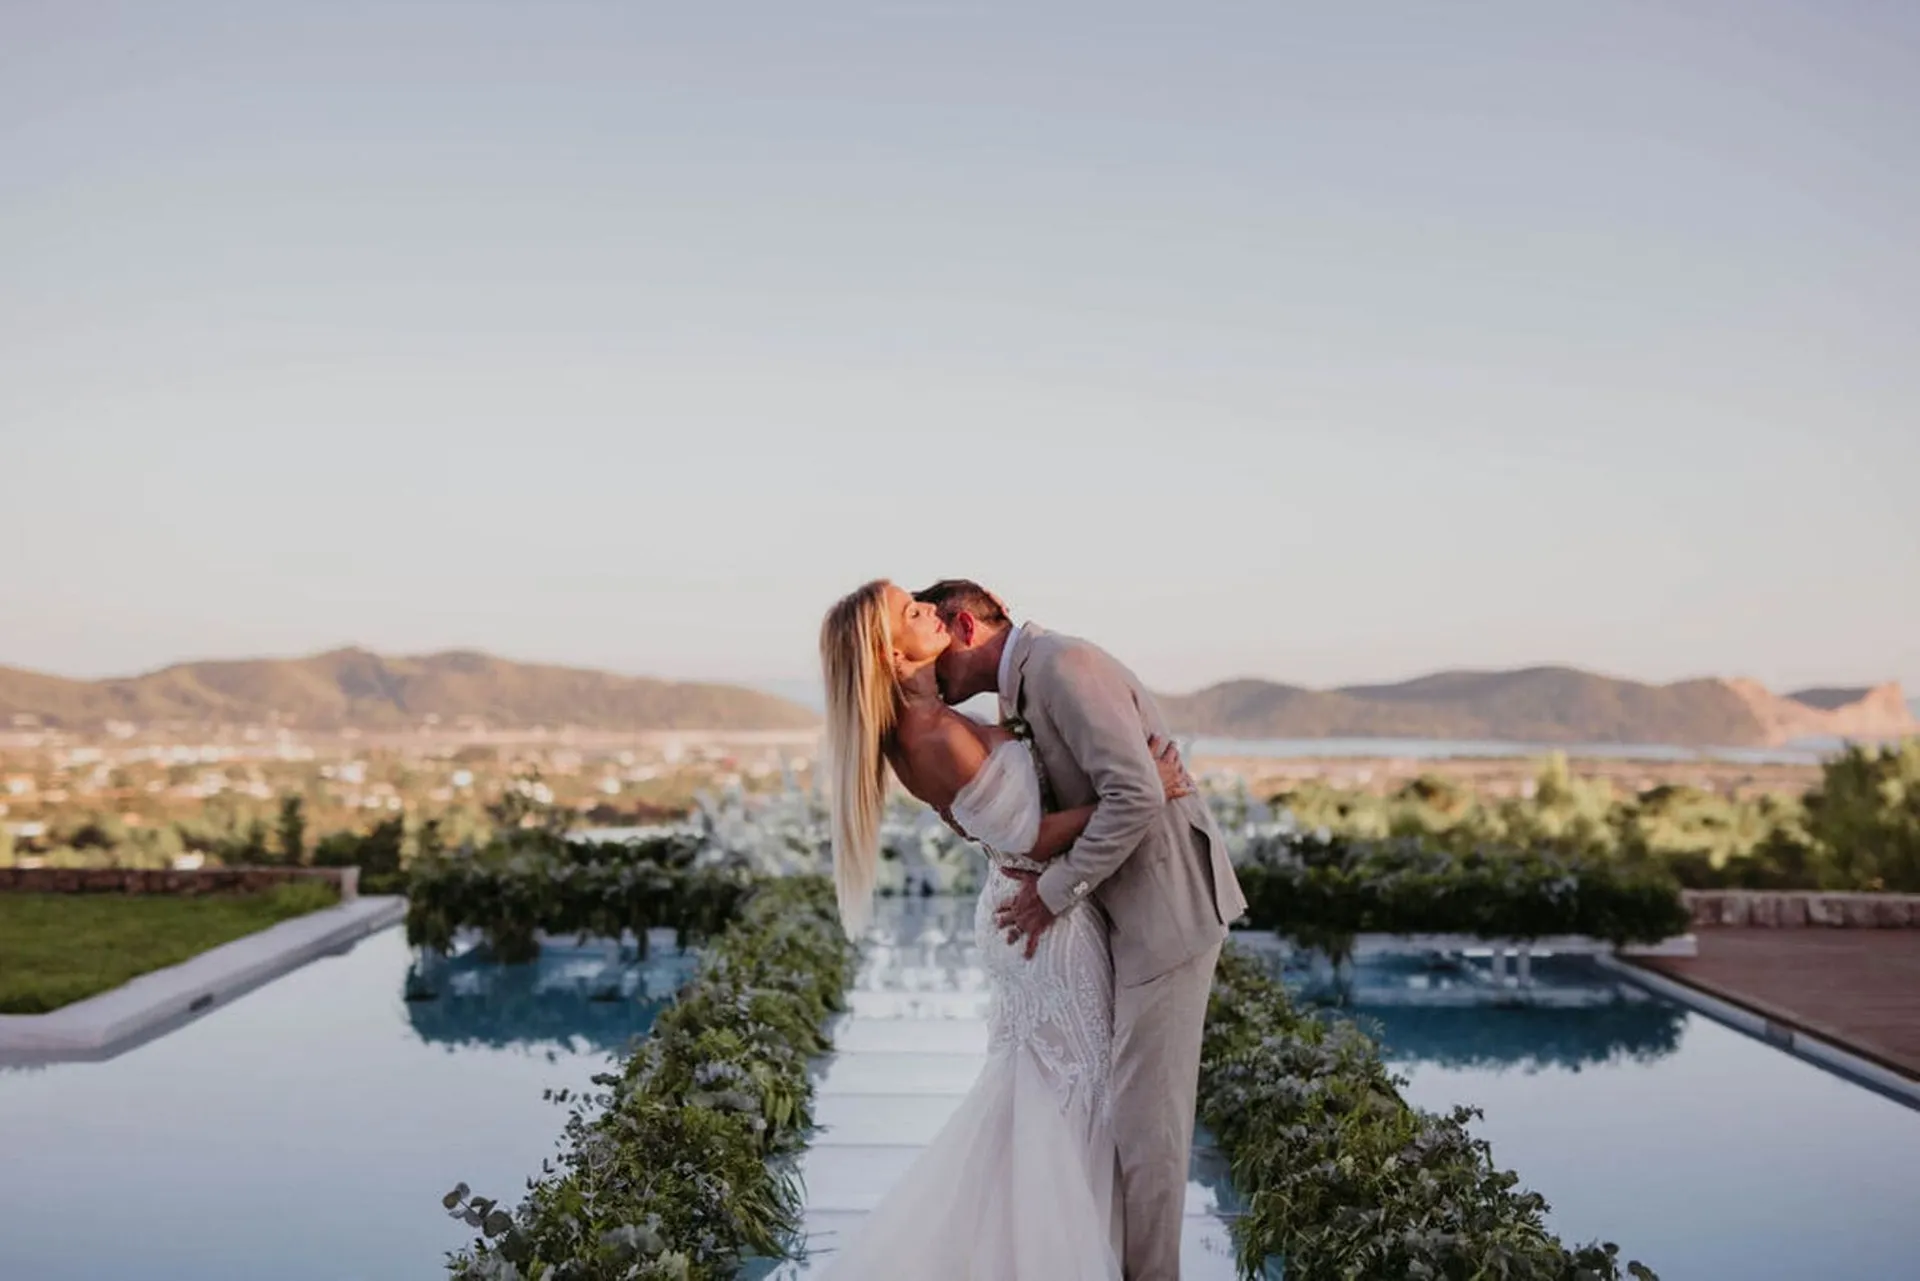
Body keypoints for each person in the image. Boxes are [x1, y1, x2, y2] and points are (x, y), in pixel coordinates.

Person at [817, 579, 1196, 1280]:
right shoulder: (927, 734)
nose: (927, 610)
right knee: (1073, 1100)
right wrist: (1151, 783)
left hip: (1034, 913)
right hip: (1043, 922)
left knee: (1049, 1100)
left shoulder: (931, 723)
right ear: (886, 648)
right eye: (911, 611)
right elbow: (1030, 836)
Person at [917, 578, 1248, 1281]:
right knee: (1120, 1112)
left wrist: (1054, 891)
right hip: (1113, 913)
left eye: (935, 648)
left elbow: (1132, 793)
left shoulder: (1063, 666)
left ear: (966, 627)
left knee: (1147, 1127)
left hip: (1167, 910)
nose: (931, 674)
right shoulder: (1016, 690)